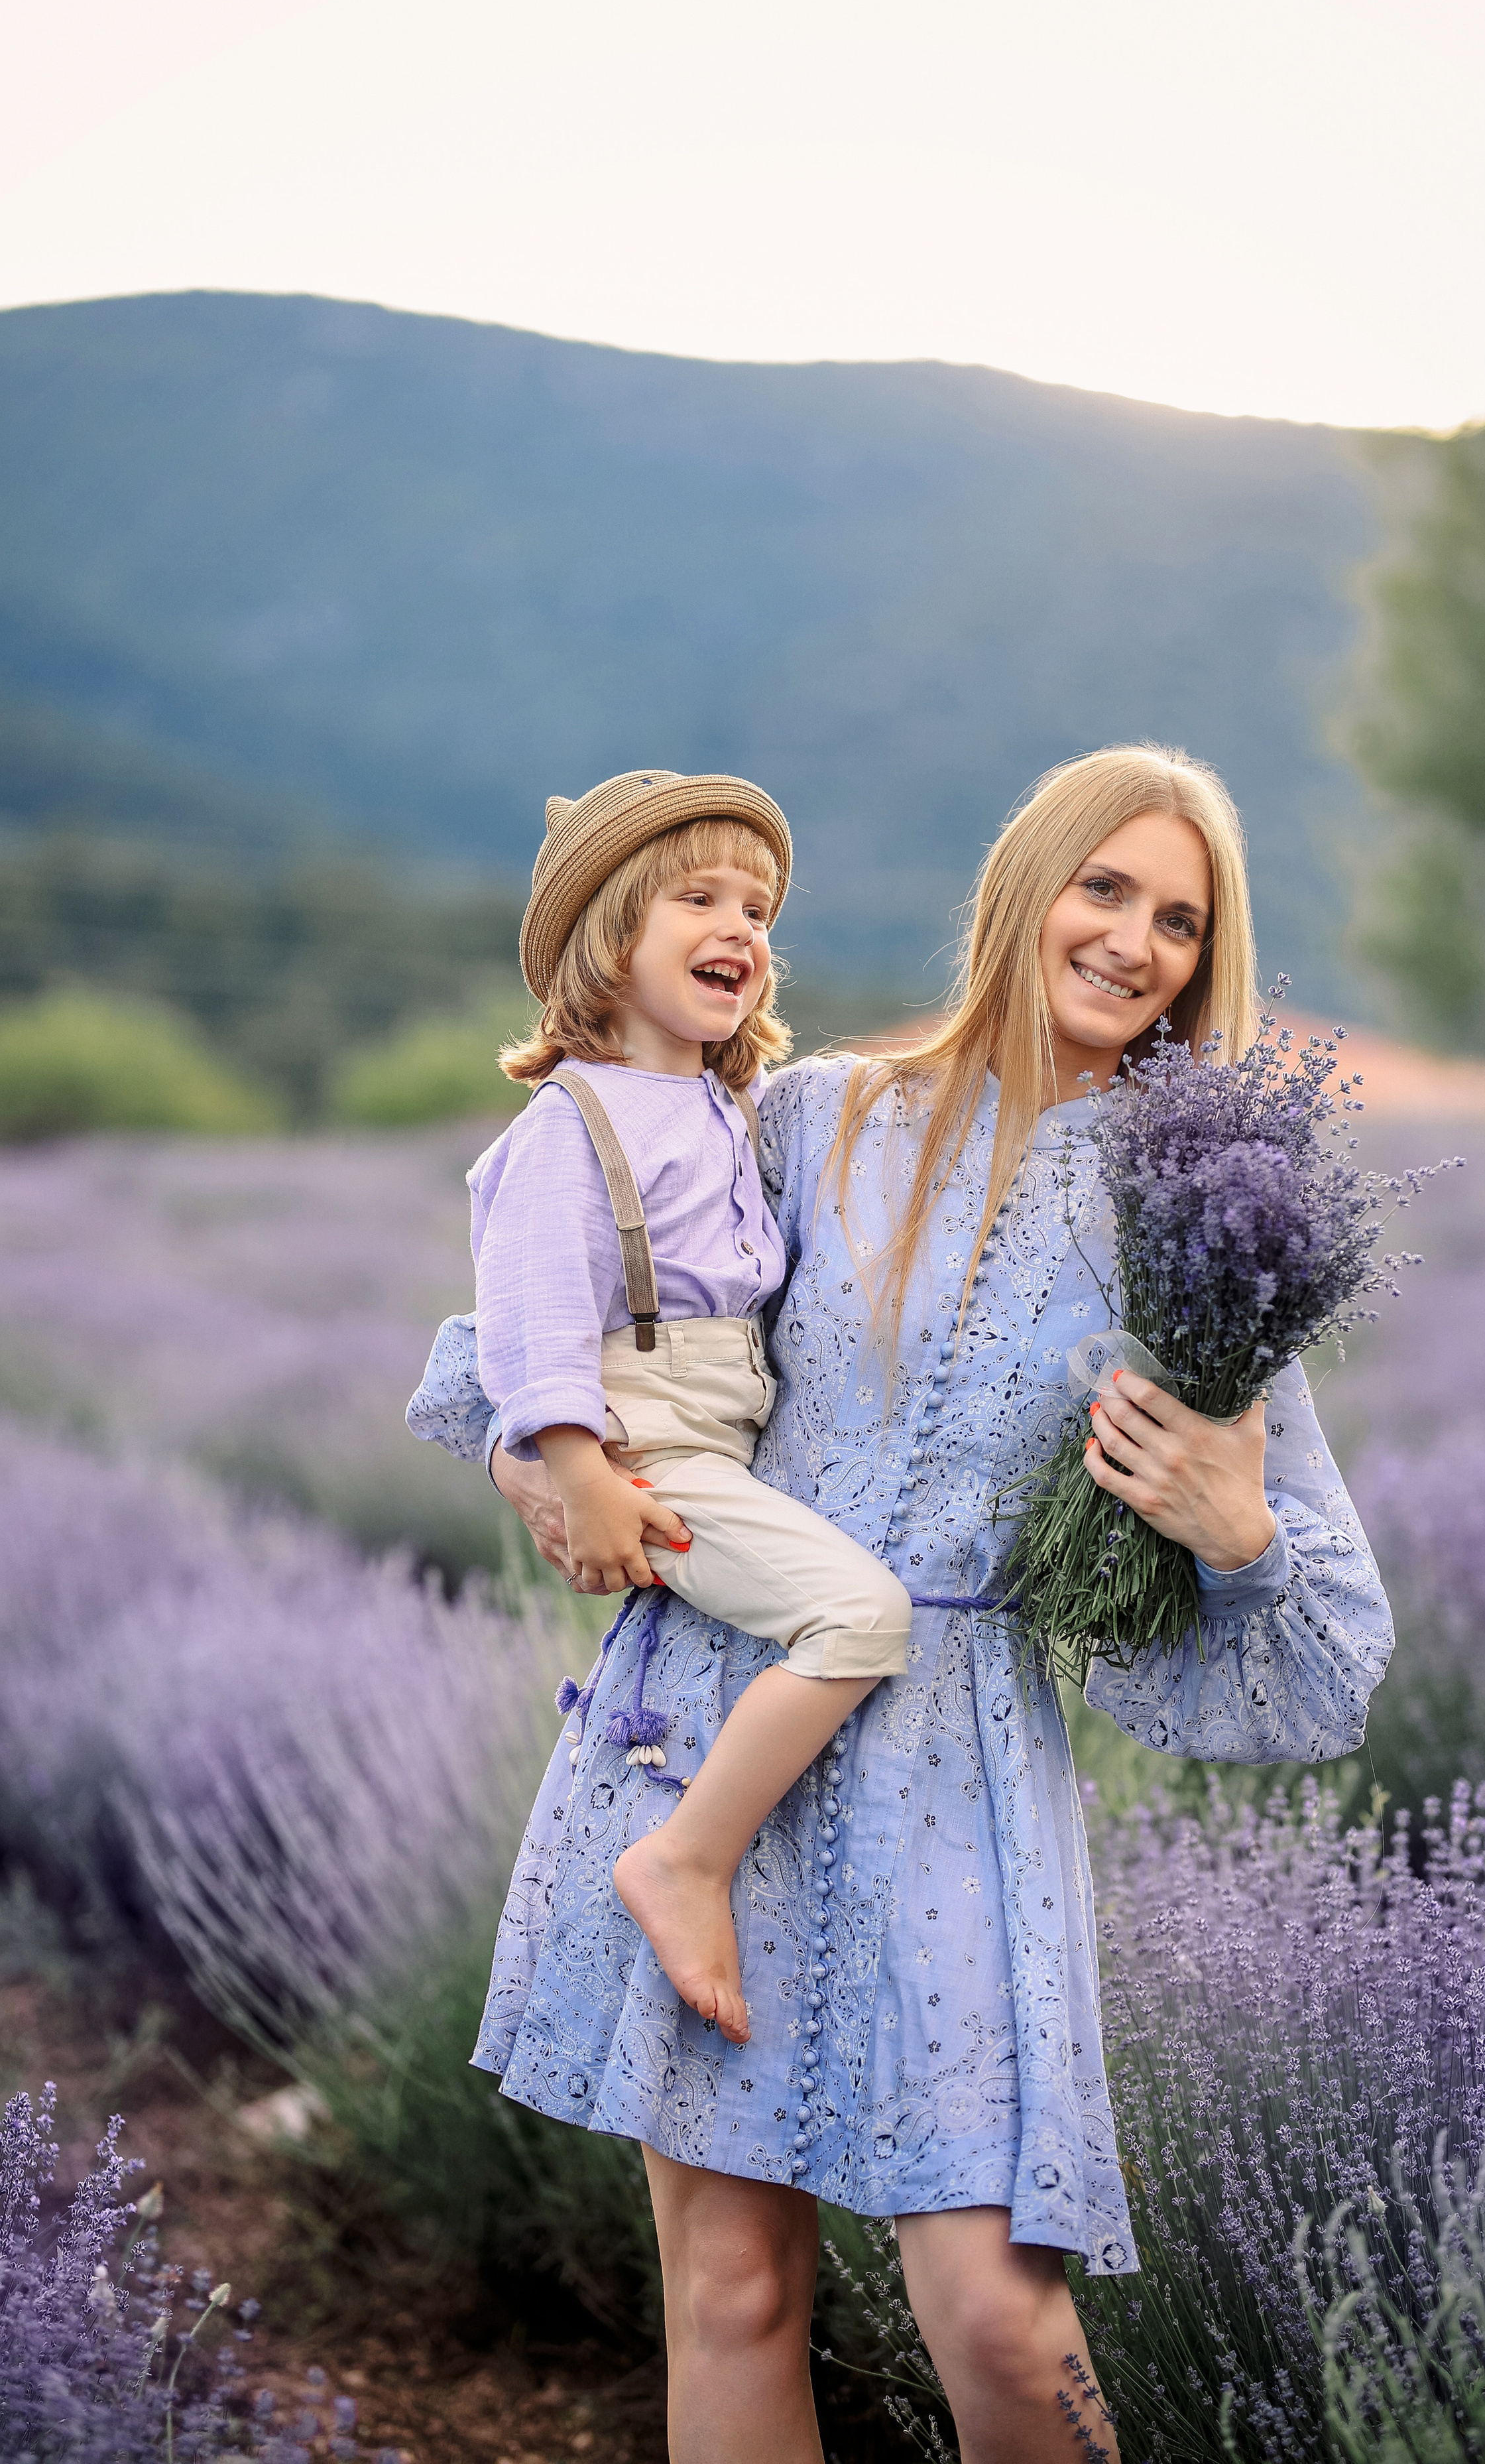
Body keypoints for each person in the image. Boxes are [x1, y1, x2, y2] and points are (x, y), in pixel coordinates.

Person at [422, 745, 1395, 2464]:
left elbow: (1322, 1669)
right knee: (734, 2296)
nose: (1135, 941)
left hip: (960, 1781)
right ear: (1024, 890)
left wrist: (1235, 1531)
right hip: (721, 1722)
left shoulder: (1197, 1229)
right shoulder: (814, 1115)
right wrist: (540, 1456)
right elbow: (557, 1306)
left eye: (1179, 920)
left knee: (1006, 2330)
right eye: (1105, 888)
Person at [412, 769, 915, 2047]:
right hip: (651, 1443)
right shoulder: (570, 1123)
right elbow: (532, 1314)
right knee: (860, 1615)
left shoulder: (724, 1105)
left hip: (722, 1428)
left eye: (758, 910)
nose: (740, 927)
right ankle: (685, 1860)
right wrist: (574, 1470)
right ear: (607, 938)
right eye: (700, 898)